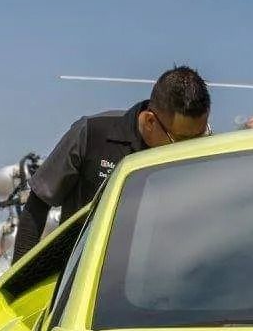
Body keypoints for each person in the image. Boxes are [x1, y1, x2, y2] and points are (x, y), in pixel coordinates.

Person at [11, 64, 211, 259]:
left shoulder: (201, 155)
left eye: (200, 137)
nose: (189, 149)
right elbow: (38, 203)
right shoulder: (91, 134)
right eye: (181, 140)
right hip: (86, 277)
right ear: (150, 121)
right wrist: (17, 286)